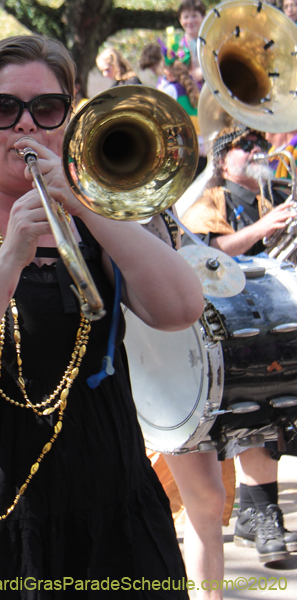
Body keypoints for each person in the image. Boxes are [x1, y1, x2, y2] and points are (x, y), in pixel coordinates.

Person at [0, 35, 205, 599]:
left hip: (104, 499)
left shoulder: (100, 219)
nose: (25, 125)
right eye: (4, 108)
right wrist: (7, 260)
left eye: (47, 108)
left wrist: (86, 206)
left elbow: (180, 308)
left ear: (68, 117)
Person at [180, 126, 297, 565]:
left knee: (282, 413)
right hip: (232, 326)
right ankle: (261, 510)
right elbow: (206, 256)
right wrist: (265, 228)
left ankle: (254, 507)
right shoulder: (209, 201)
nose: (258, 152)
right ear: (223, 158)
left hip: (281, 316)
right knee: (258, 407)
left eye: (260, 145)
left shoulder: (275, 193)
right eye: (246, 146)